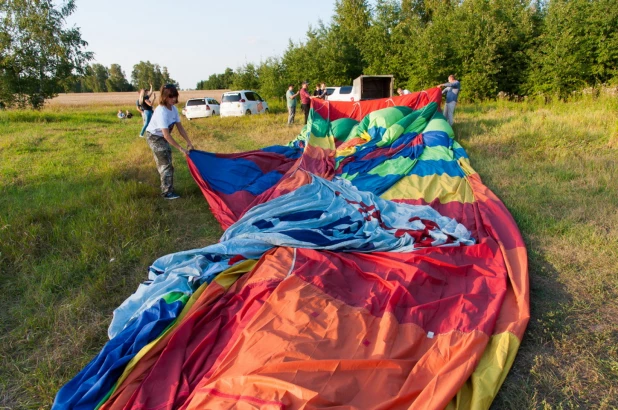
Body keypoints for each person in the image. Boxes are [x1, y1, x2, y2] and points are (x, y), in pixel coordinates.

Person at [145, 84, 195, 200]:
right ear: (164, 97)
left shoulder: (173, 109)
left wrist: (188, 142)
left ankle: (167, 186)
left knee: (166, 161)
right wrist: (181, 148)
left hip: (162, 137)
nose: (173, 99)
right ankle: (167, 193)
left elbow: (180, 127)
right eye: (170, 96)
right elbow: (166, 135)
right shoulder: (161, 112)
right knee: (166, 164)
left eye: (175, 96)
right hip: (154, 137)